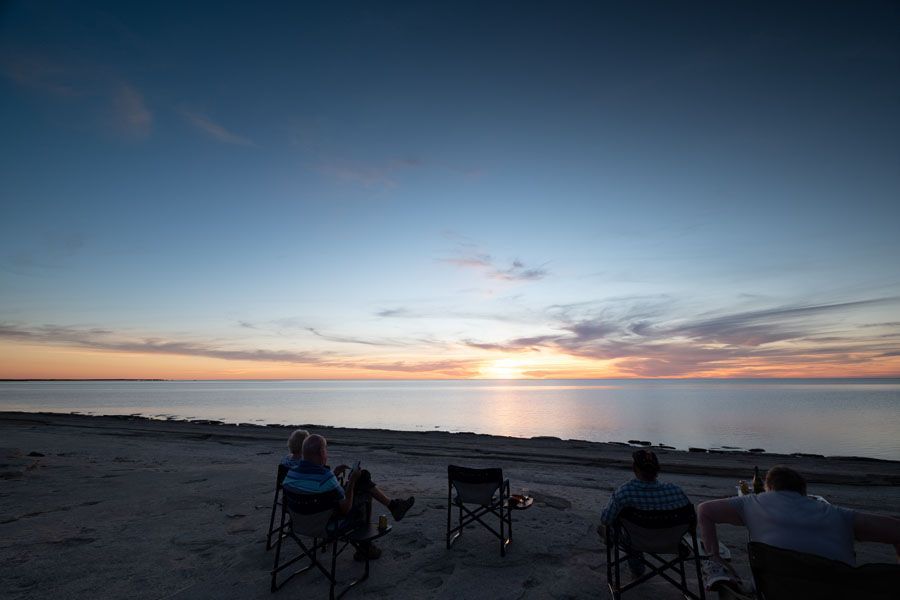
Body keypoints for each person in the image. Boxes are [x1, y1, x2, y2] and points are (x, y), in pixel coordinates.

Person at [698, 465, 900, 581]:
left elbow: (704, 509)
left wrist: (714, 556)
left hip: (777, 589)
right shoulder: (839, 515)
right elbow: (895, 529)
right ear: (803, 491)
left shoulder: (753, 502)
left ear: (769, 487)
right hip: (839, 589)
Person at [282, 434, 415, 560]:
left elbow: (314, 489)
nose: (326, 453)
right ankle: (365, 548)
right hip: (327, 526)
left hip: (299, 523)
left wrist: (334, 474)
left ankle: (393, 506)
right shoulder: (325, 478)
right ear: (322, 453)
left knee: (363, 477)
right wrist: (351, 481)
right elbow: (345, 508)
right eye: (326, 450)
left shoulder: (291, 474)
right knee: (363, 488)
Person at [599, 449, 693, 578]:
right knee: (632, 531)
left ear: (634, 468)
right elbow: (692, 522)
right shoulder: (676, 491)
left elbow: (606, 519)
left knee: (612, 529)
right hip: (671, 542)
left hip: (636, 542)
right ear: (657, 470)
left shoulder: (624, 492)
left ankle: (637, 570)